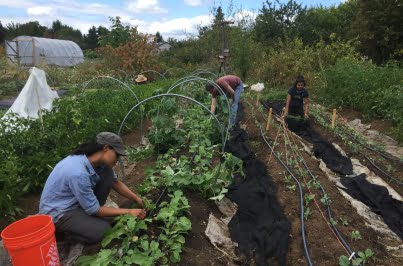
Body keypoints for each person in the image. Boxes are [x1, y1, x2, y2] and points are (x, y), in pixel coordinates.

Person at [39, 132, 146, 244]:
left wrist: (137, 199)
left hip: (78, 203)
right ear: (105, 148)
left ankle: (90, 219)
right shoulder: (78, 172)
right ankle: (65, 233)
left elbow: (116, 183)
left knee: (107, 174)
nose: (118, 159)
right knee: (103, 231)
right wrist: (129, 212)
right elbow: (94, 209)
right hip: (60, 212)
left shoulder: (96, 163)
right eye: (117, 154)